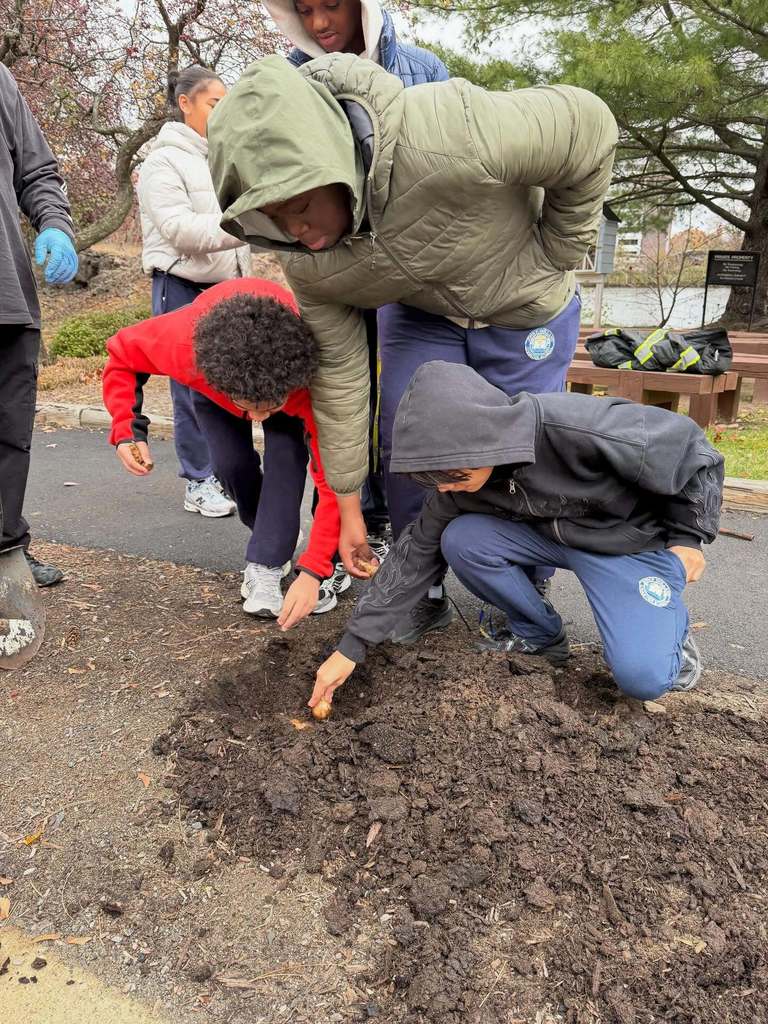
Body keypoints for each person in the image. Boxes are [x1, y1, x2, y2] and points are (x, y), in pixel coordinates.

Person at [207, 53, 618, 643]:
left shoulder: (448, 132)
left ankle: (522, 589)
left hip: (525, 305)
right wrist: (348, 507)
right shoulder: (312, 263)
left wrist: (560, 247)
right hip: (423, 315)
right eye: (273, 216)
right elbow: (343, 381)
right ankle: (417, 584)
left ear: (332, 157)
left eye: (299, 206)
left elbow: (588, 125)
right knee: (407, 435)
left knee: (523, 442)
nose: (294, 229)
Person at [309, 361, 725, 711]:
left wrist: (688, 537)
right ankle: (540, 634)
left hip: (624, 546)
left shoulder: (577, 428)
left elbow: (694, 452)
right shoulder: (454, 484)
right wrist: (352, 646)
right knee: (460, 538)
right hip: (548, 535)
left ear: (485, 443)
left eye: (456, 477)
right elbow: (414, 554)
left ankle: (671, 634)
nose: (447, 488)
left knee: (642, 679)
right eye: (436, 481)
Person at [263, 0, 449, 556]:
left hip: (408, 265)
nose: (321, 22)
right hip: (330, 263)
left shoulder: (421, 68)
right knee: (339, 392)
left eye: (332, 6)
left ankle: (402, 525)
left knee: (402, 398)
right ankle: (343, 526)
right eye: (306, 10)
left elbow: (446, 162)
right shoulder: (290, 79)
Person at [102, 277, 351, 625]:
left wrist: (315, 567)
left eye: (268, 407)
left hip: (287, 391)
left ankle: (266, 562)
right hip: (216, 386)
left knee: (286, 461)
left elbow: (336, 481)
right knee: (231, 465)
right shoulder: (181, 345)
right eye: (251, 407)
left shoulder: (304, 383)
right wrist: (127, 429)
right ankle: (274, 532)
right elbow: (121, 355)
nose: (259, 417)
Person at [136, 65, 251, 519]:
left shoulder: (224, 156)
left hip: (228, 288)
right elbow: (179, 229)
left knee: (228, 387)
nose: (222, 114)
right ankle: (198, 480)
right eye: (214, 104)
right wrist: (244, 226)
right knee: (188, 388)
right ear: (186, 104)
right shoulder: (162, 161)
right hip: (181, 286)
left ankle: (227, 472)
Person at [0, 64, 79, 587]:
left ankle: (5, 550)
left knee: (9, 435)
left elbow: (36, 171)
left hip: (8, 296)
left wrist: (54, 223)